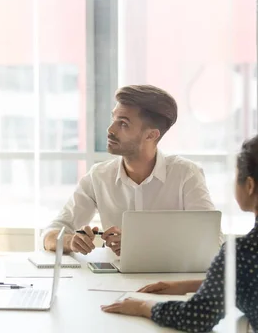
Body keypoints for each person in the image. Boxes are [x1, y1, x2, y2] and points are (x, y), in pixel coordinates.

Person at [101, 134, 258, 332]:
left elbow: (197, 316)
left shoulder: (242, 253)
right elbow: (248, 281)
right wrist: (187, 285)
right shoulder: (245, 260)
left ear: (250, 186)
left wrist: (141, 306)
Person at [42, 85, 216, 255]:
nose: (110, 130)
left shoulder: (186, 174)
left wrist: (140, 246)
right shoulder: (99, 177)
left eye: (123, 124)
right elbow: (50, 234)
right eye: (113, 120)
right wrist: (70, 241)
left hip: (169, 281)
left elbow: (212, 240)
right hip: (112, 280)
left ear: (151, 135)